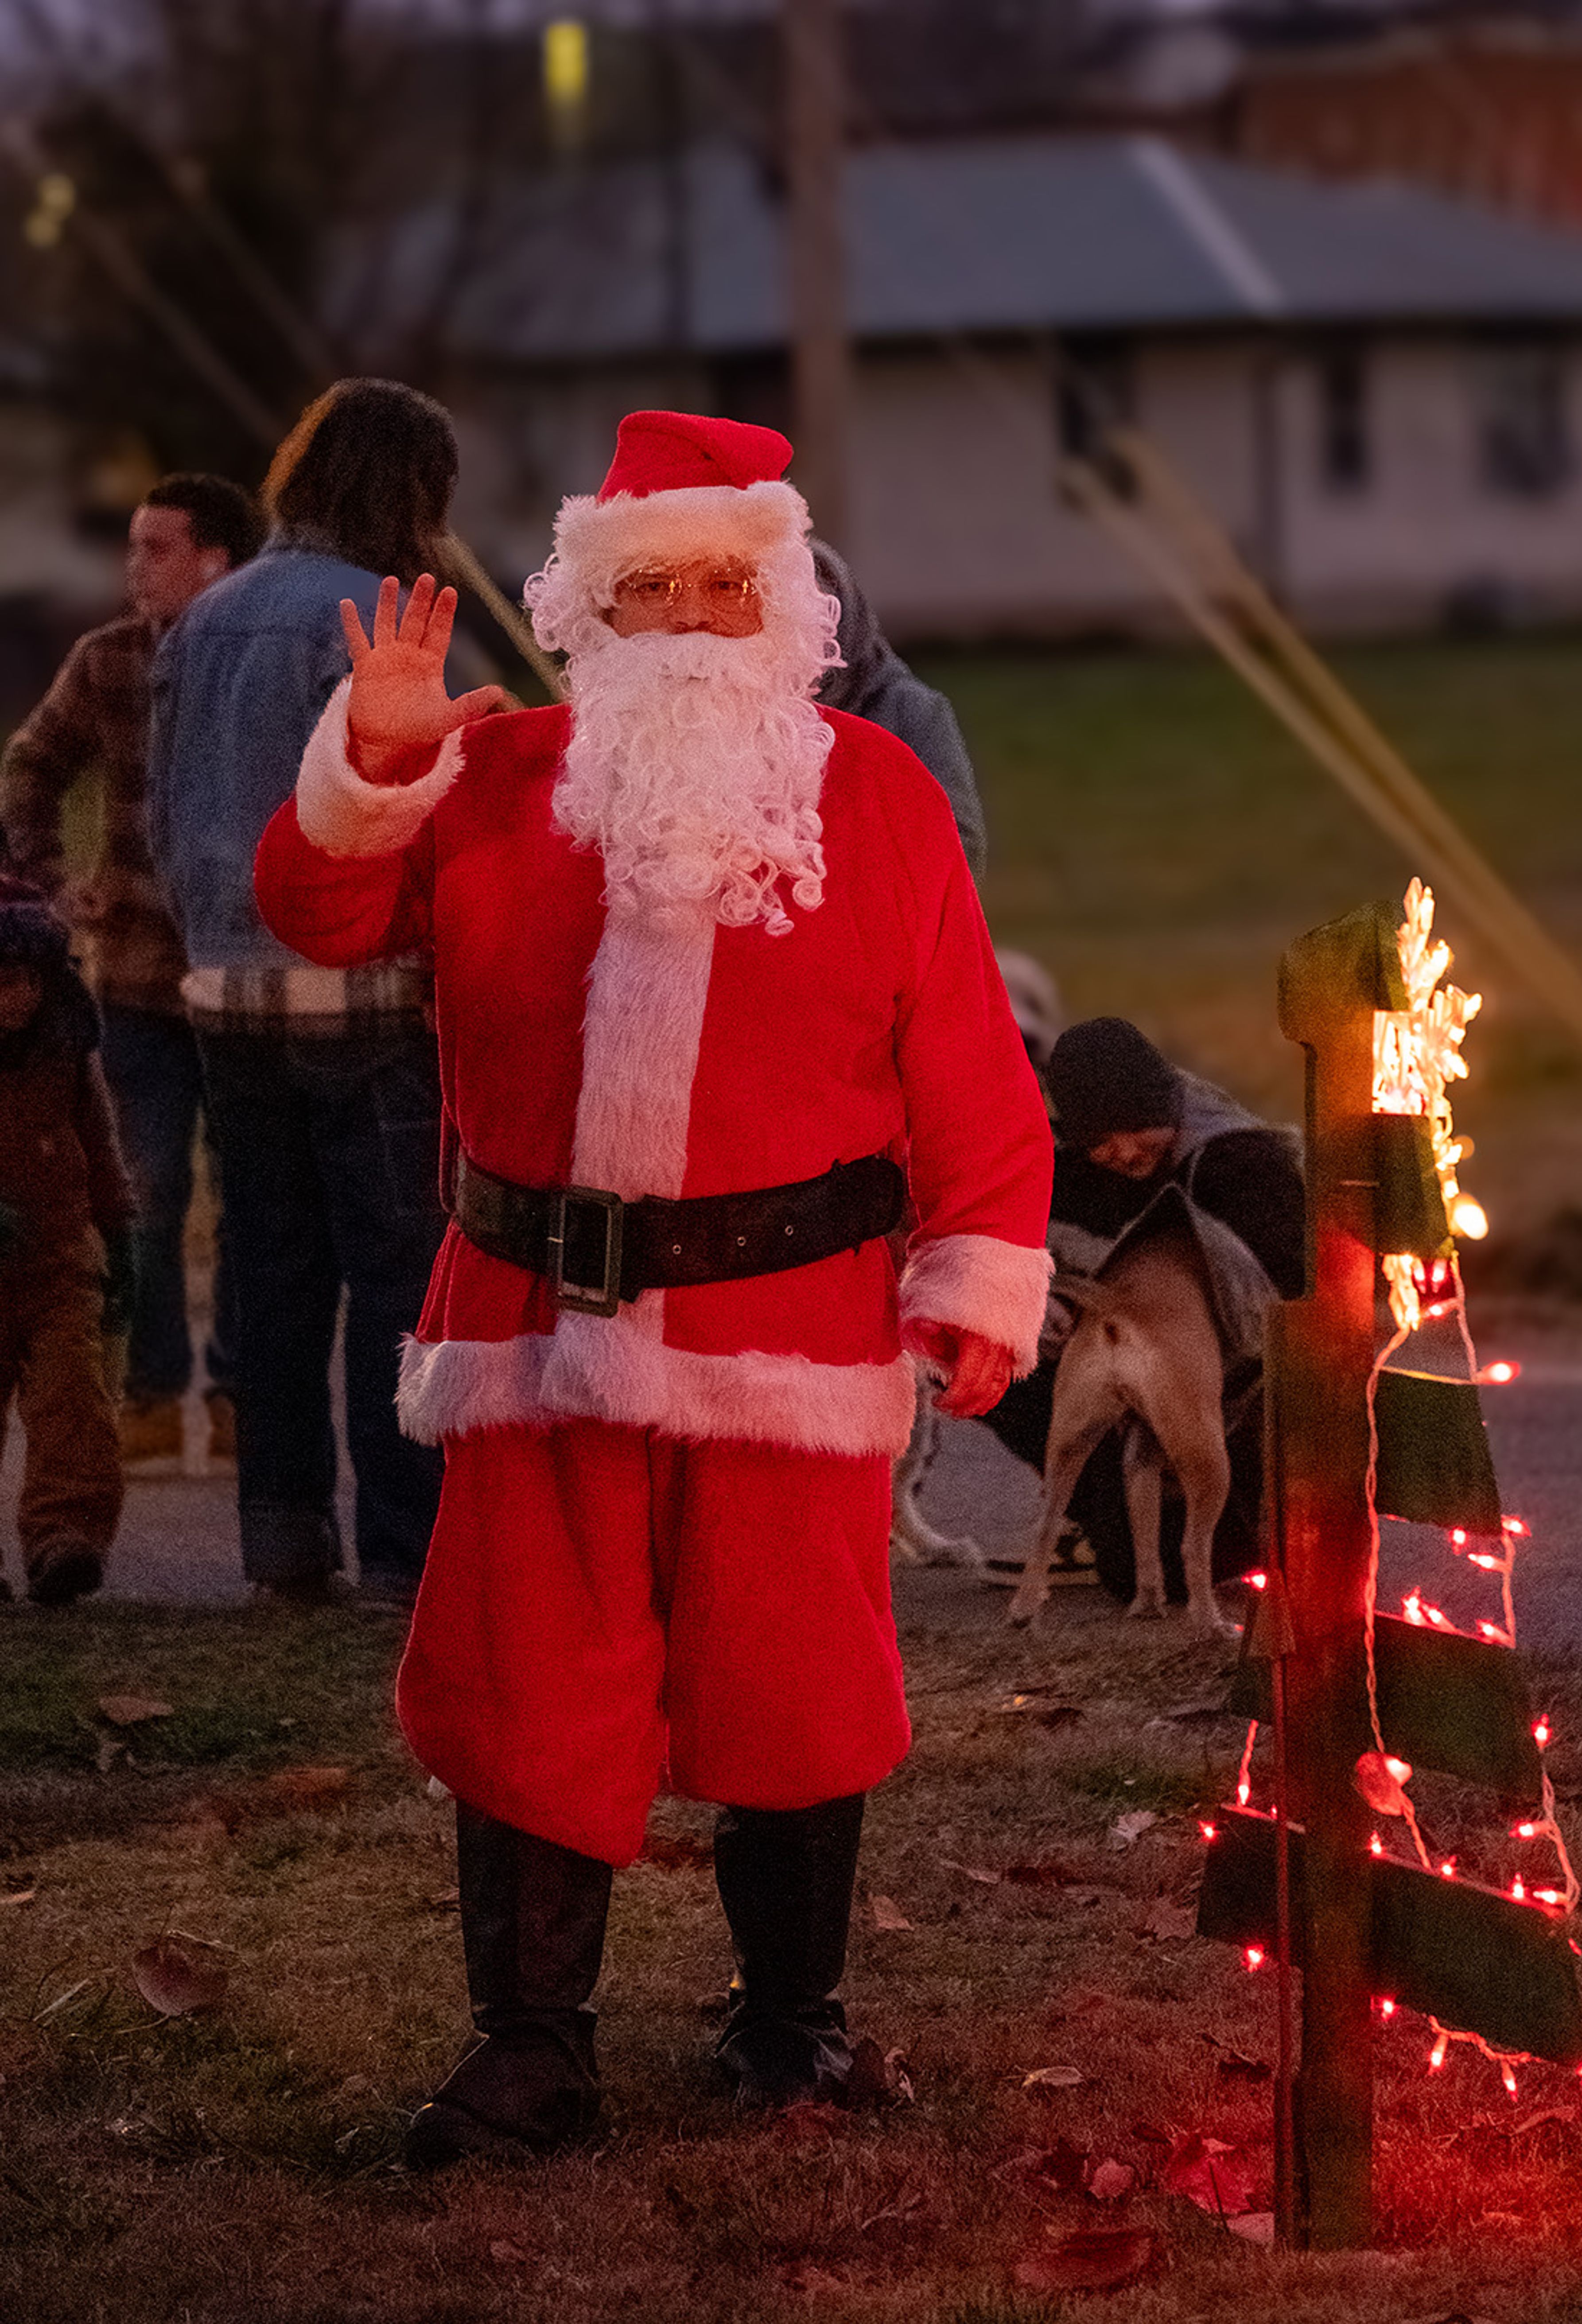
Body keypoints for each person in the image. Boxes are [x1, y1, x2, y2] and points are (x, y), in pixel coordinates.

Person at [252, 409, 1053, 2163]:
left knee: (796, 1684)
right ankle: (532, 2050)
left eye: (722, 583)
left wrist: (974, 1275)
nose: (689, 617)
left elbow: (972, 1062)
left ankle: (792, 2030)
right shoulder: (495, 780)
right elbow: (312, 916)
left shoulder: (879, 796)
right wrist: (370, 765)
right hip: (539, 1331)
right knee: (528, 1683)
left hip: (797, 1332)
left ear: (780, 604)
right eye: (648, 589)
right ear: (586, 617)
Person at [148, 381, 482, 1605]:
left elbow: (158, 806)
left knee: (270, 1275)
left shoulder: (206, 614)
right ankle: (405, 1546)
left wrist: (203, 935)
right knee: (398, 1272)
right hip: (366, 994)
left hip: (226, 994)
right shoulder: (376, 616)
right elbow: (412, 809)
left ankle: (282, 1537)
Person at [0, 473, 257, 1466]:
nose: (133, 566)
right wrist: (56, 878)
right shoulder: (107, 660)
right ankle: (152, 1396)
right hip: (138, 983)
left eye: (157, 548)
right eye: (133, 546)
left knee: (251, 1198)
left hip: (242, 981)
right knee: (144, 1192)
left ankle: (239, 1397)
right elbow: (31, 766)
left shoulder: (249, 668)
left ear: (216, 561)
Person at [980, 1016, 1305, 1603]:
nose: (1125, 1151)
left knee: (1153, 1573)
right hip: (1125, 1362)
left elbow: (1290, 1308)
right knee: (982, 1342)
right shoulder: (1078, 1164)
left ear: (1168, 1105)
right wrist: (1035, 1294)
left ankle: (1190, 1522)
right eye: (1102, 1139)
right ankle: (1097, 1513)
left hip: (1234, 1397)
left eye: (1138, 1128)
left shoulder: (1242, 1167)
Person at [0, 876, 136, 1605]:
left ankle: (66, 1540)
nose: (12, 999)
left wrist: (119, 1232)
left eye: (22, 981)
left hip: (60, 1268)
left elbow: (99, 1143)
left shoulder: (65, 1054)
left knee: (73, 1405)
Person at [811, 542, 986, 876]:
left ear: (847, 617)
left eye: (822, 615)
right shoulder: (743, 714)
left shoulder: (909, 710)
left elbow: (960, 844)